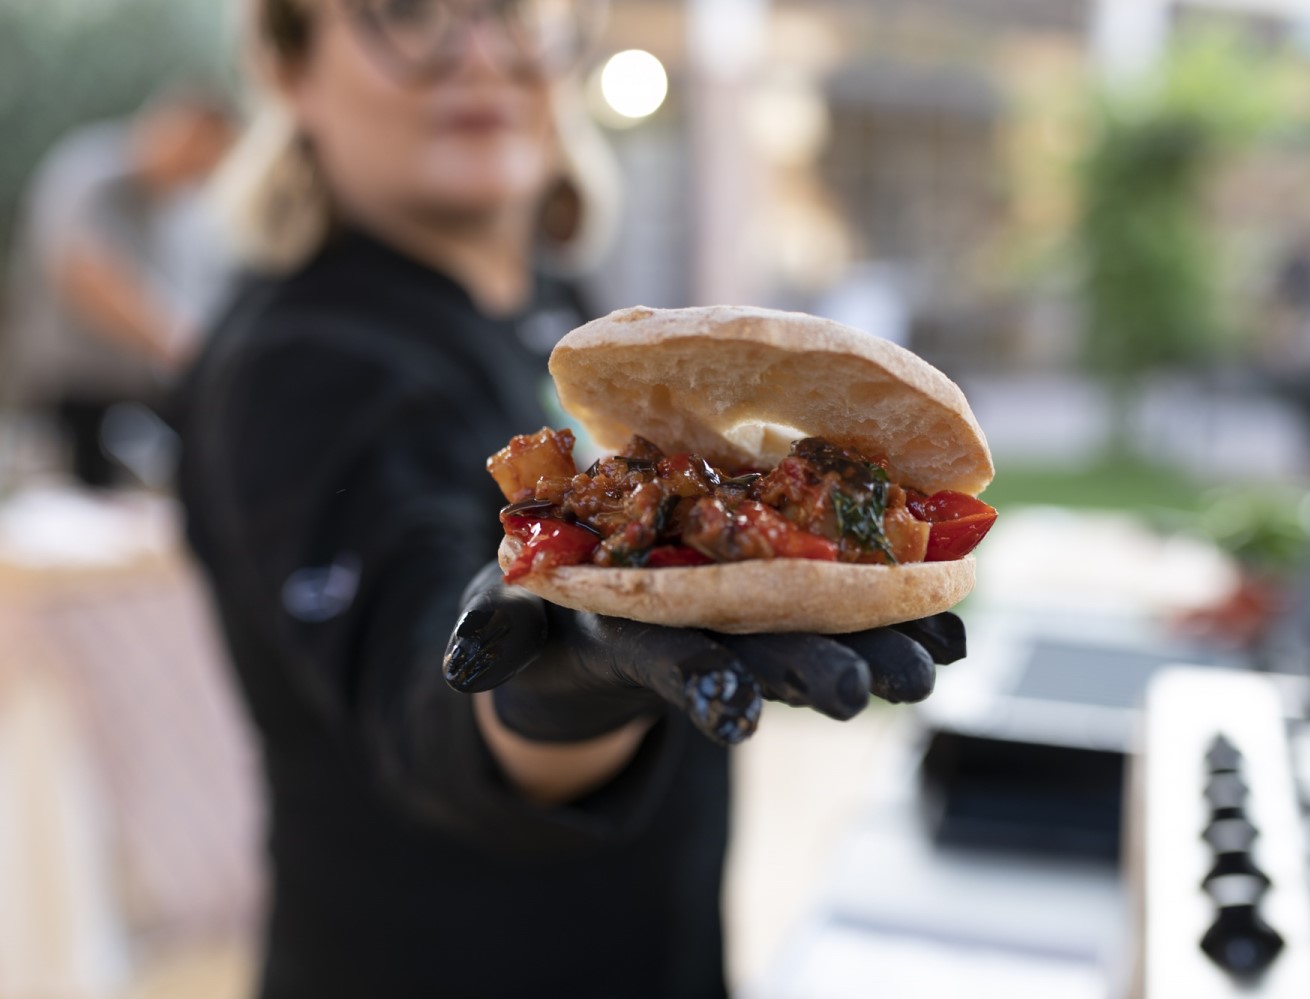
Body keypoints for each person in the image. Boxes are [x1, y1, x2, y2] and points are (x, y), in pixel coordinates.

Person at [173, 2, 965, 997]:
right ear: (290, 64)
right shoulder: (296, 366)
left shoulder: (556, 306)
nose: (478, 52)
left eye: (513, 11)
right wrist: (559, 683)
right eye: (405, 10)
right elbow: (418, 697)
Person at [4, 88, 237, 487]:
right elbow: (84, 274)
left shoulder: (176, 208)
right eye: (199, 161)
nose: (198, 177)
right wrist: (177, 341)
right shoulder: (90, 170)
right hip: (70, 390)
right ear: (181, 132)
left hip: (135, 389)